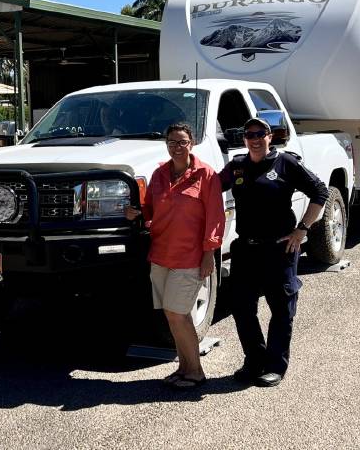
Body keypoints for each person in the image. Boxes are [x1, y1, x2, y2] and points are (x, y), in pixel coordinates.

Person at [218, 117, 329, 388]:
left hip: (280, 248)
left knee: (281, 309)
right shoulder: (237, 166)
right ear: (244, 139)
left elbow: (320, 191)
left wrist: (303, 229)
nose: (254, 139)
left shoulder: (285, 163)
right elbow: (207, 188)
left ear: (270, 137)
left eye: (260, 134)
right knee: (242, 308)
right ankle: (254, 360)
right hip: (246, 249)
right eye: (249, 134)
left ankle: (275, 365)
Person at [124, 123, 223, 389]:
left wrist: (209, 254)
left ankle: (196, 372)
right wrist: (138, 212)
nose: (176, 147)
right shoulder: (159, 174)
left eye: (181, 142)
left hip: (189, 256)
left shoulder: (206, 175)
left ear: (191, 143)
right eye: (171, 142)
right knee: (172, 314)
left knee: (178, 313)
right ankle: (184, 367)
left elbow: (215, 218)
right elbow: (151, 208)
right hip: (161, 254)